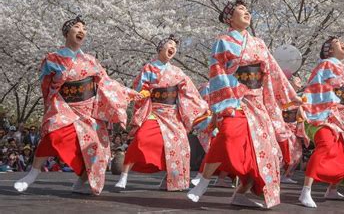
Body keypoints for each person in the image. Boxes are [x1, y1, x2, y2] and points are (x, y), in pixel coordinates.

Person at [187, 0, 302, 208]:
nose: (247, 12)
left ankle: (240, 193)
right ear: (230, 18)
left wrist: (289, 96)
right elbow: (217, 72)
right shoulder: (223, 41)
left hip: (257, 102)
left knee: (260, 153)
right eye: (241, 10)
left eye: (248, 10)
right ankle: (203, 182)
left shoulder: (258, 43)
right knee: (229, 135)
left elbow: (272, 72)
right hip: (236, 98)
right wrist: (226, 101)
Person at [13, 15, 143, 195]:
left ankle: (82, 181)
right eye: (77, 27)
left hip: (88, 110)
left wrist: (131, 93)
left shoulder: (91, 60)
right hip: (64, 106)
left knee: (97, 150)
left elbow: (107, 83)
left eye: (84, 28)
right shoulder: (53, 59)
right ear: (67, 32)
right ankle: (32, 174)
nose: (81, 30)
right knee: (53, 133)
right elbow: (46, 86)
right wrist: (50, 103)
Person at [114, 34, 208, 191]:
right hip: (155, 111)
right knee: (141, 139)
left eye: (175, 47)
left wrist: (201, 106)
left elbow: (189, 93)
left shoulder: (178, 72)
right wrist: (143, 93)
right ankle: (124, 176)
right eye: (170, 44)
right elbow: (140, 88)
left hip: (172, 114)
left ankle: (170, 179)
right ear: (160, 48)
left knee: (179, 145)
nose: (173, 48)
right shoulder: (149, 68)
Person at [298, 36, 344, 208]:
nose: (343, 43)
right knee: (326, 145)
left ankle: (332, 189)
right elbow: (313, 87)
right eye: (337, 42)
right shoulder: (326, 64)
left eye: (343, 42)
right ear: (329, 49)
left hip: (340, 117)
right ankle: (306, 190)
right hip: (322, 114)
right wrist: (315, 110)